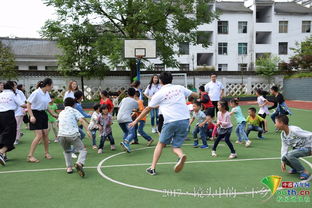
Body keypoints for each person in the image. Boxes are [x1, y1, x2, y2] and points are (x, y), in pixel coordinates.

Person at [130, 72, 199, 175]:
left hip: (171, 121)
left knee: (161, 144)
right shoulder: (179, 88)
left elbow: (147, 109)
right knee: (175, 146)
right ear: (172, 80)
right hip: (185, 120)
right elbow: (196, 95)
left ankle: (152, 168)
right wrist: (199, 97)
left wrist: (136, 120)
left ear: (160, 81)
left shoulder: (159, 93)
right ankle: (181, 156)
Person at [27, 78, 58, 163]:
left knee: (45, 134)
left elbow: (47, 105)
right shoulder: (36, 93)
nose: (52, 87)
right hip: (35, 114)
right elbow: (28, 104)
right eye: (52, 85)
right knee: (39, 135)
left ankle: (46, 153)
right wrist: (32, 116)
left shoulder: (47, 93)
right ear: (47, 85)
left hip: (43, 114)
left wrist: (53, 114)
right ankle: (30, 156)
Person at [58, 97, 90, 177]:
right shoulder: (74, 110)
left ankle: (69, 168)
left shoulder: (61, 113)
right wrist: (88, 131)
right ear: (74, 105)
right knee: (83, 150)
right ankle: (79, 163)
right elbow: (82, 120)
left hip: (61, 135)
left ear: (63, 104)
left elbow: (58, 123)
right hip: (72, 135)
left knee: (67, 151)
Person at [276, 115, 311, 180]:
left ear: (281, 123)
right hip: (299, 149)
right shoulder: (283, 135)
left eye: (276, 123)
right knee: (284, 158)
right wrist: (282, 161)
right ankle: (296, 168)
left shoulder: (294, 130)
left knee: (289, 155)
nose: (275, 124)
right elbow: (284, 148)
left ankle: (304, 171)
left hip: (308, 148)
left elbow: (310, 135)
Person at [0, 81, 25, 166]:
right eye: (15, 86)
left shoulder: (1, 94)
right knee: (11, 135)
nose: (16, 88)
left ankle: (3, 155)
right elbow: (22, 105)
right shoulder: (13, 94)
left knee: (2, 135)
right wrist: (31, 105)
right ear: (11, 87)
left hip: (0, 115)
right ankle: (1, 153)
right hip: (8, 115)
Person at [118, 88, 138, 153]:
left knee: (126, 132)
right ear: (134, 94)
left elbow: (119, 107)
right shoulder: (134, 101)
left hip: (119, 118)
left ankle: (126, 147)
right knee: (132, 133)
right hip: (127, 118)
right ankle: (126, 141)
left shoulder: (124, 99)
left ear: (127, 93)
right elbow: (136, 109)